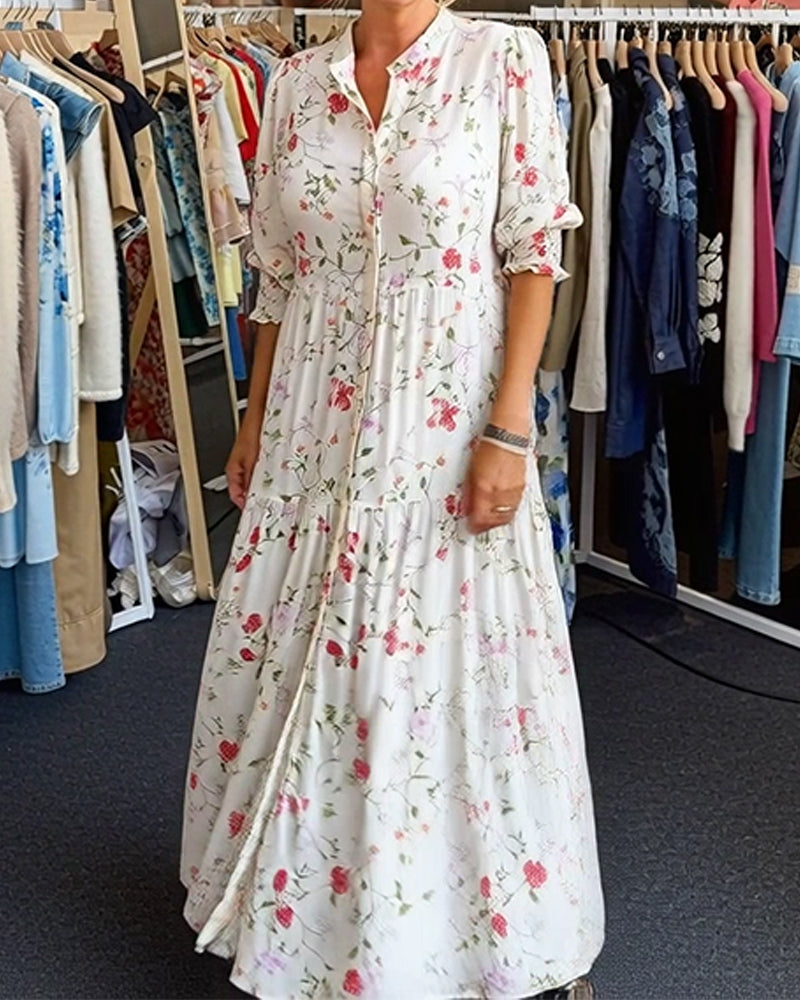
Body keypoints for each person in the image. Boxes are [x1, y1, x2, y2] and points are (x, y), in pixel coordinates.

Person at [180, 1, 605, 996]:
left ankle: (466, 940)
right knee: (295, 661)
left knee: (434, 676)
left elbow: (533, 255)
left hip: (441, 429)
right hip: (309, 431)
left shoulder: (502, 60)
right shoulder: (294, 85)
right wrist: (251, 420)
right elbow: (277, 280)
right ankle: (307, 926)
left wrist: (510, 429)